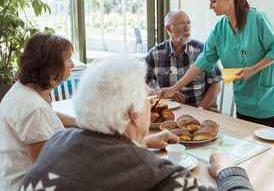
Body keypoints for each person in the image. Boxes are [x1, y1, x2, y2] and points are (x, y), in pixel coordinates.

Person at [20, 54, 254, 191]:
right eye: (148, 99)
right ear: (134, 112)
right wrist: (228, 171)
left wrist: (143, 142)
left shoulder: (57, 143)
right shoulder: (156, 175)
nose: (151, 105)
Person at [159, 0, 274, 127]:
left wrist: (252, 70)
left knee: (271, 149)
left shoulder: (257, 19)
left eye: (213, 1)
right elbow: (200, 63)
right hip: (243, 103)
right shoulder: (220, 29)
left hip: (268, 103)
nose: (210, 6)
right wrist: (173, 88)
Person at [0, 32, 77, 190]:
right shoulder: (32, 108)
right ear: (51, 66)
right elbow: (45, 167)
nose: (73, 65)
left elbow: (49, 115)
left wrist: (79, 122)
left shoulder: (26, 89)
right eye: (68, 59)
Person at [146, 9, 222, 112]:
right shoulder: (154, 54)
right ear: (169, 29)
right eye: (182, 24)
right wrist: (161, 93)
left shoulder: (202, 50)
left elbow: (216, 85)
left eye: (189, 23)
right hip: (167, 110)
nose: (187, 28)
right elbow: (142, 85)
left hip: (201, 108)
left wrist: (200, 108)